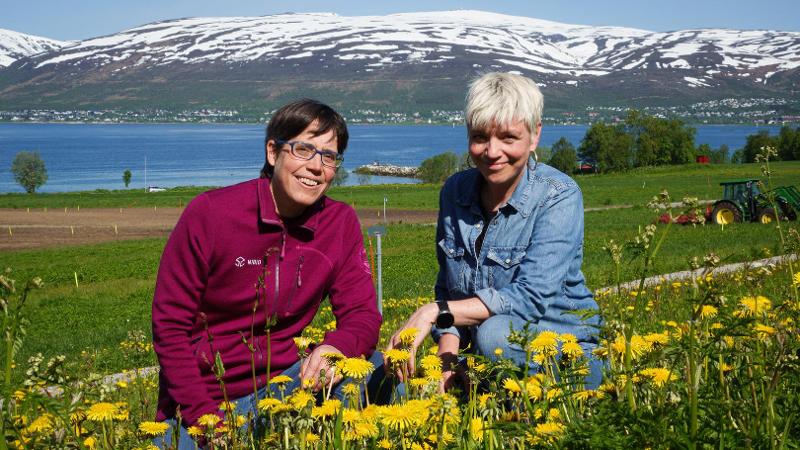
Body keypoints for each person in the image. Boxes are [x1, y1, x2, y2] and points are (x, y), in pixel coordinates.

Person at [152, 99, 383, 448]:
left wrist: (335, 347)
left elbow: (363, 315)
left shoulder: (340, 223)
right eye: (304, 149)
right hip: (204, 402)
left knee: (378, 369)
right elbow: (169, 327)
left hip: (289, 385)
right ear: (273, 152)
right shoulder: (211, 214)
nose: (316, 166)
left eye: (329, 156)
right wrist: (207, 423)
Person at [386, 72, 602, 391]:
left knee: (494, 334)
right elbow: (449, 290)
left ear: (534, 135)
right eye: (480, 137)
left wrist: (434, 312)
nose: (492, 151)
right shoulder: (454, 193)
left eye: (508, 138)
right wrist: (447, 361)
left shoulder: (558, 195)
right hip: (484, 358)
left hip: (566, 355)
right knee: (402, 389)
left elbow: (529, 298)